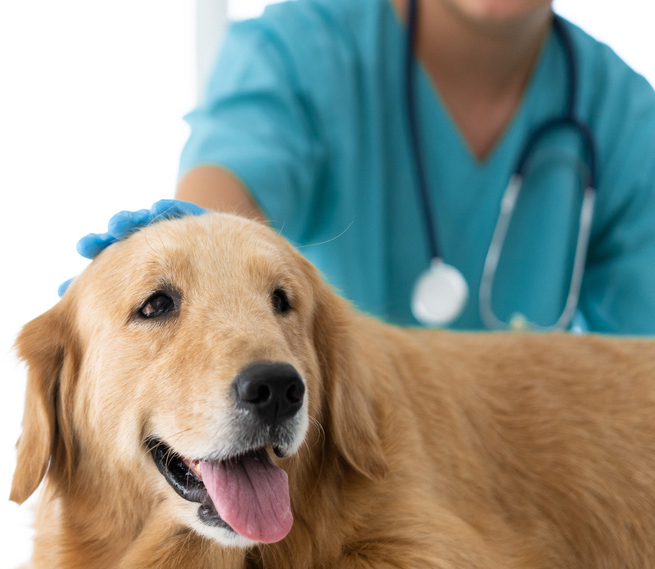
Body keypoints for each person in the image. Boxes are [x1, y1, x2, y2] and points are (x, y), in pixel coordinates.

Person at [174, 0, 655, 333]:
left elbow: (638, 382)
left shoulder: (627, 120)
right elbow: (208, 231)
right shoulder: (298, 52)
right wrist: (184, 253)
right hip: (339, 462)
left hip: (524, 468)